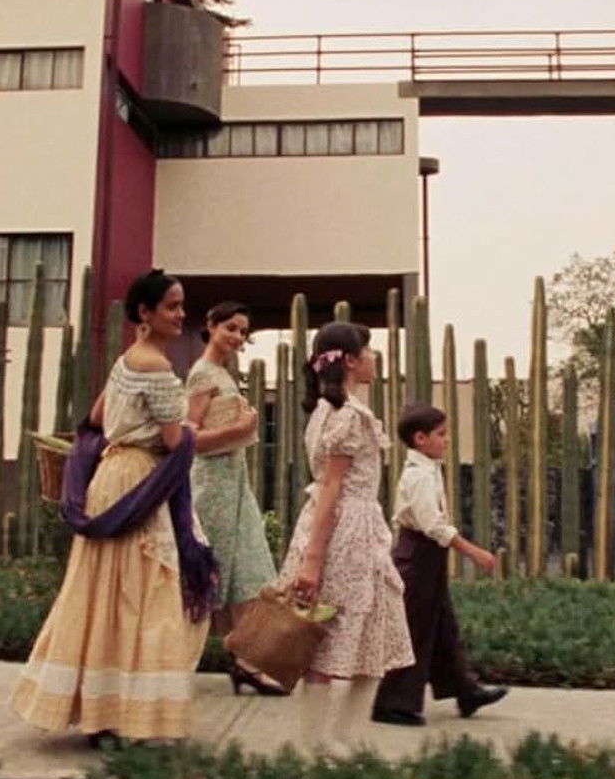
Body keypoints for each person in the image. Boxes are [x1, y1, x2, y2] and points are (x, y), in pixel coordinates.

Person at [10, 269, 246, 746]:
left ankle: (100, 709)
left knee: (102, 591)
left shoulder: (126, 361)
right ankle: (122, 713)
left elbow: (98, 418)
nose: (181, 314)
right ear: (145, 312)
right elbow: (176, 441)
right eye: (172, 306)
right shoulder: (156, 368)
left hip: (111, 477)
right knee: (143, 596)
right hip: (140, 481)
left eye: (181, 306)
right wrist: (235, 432)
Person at [279, 321, 414, 755]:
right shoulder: (347, 415)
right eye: (369, 351)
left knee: (367, 634)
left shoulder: (329, 410)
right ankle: (322, 740)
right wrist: (313, 559)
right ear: (352, 361)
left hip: (350, 528)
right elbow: (333, 487)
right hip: (347, 532)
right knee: (332, 634)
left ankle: (338, 738)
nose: (375, 358)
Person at [371, 403, 509, 726]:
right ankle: (393, 703)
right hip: (418, 556)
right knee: (414, 629)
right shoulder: (418, 476)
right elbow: (433, 526)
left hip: (429, 557)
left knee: (444, 625)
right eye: (441, 434)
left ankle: (466, 690)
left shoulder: (429, 469)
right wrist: (474, 552)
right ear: (420, 438)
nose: (447, 440)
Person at [184, 302, 283, 696]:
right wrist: (240, 429)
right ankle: (175, 657)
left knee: (250, 570)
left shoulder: (223, 374)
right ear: (210, 326)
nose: (238, 337)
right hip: (212, 485)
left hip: (234, 482)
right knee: (210, 572)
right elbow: (188, 437)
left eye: (243, 331)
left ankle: (247, 661)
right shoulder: (202, 374)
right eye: (230, 328)